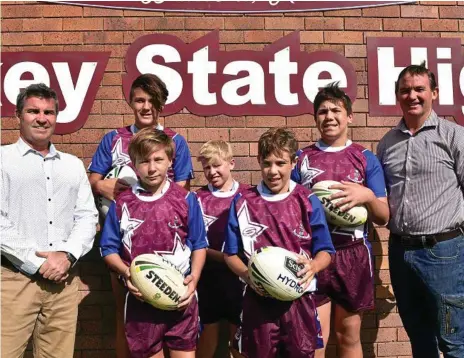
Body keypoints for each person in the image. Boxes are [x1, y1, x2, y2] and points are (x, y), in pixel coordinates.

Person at [88, 73, 195, 357]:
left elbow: (182, 189)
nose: (146, 106)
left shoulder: (176, 141)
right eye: (139, 100)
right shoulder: (113, 139)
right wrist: (103, 185)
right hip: (125, 240)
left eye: (152, 101)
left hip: (168, 244)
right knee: (127, 315)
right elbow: (93, 179)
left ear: (162, 104)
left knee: (171, 310)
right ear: (131, 102)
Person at [291, 83, 389, 357]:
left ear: (349, 117)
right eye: (322, 111)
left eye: (336, 110)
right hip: (314, 256)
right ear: (315, 118)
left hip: (353, 255)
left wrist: (368, 196)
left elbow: (383, 217)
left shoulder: (365, 158)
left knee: (348, 337)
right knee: (314, 339)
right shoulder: (301, 159)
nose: (329, 116)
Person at [1, 83, 98, 357]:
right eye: (33, 111)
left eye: (49, 112)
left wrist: (67, 256)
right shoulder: (2, 160)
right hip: (13, 280)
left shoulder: (72, 164)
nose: (42, 118)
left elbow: (87, 217)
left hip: (64, 285)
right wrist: (39, 262)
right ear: (18, 116)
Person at [223, 127, 335, 358]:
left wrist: (313, 266)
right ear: (258, 162)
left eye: (280, 163)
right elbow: (230, 254)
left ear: (293, 162)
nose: (273, 171)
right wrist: (248, 276)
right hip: (258, 301)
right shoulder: (243, 202)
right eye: (267, 163)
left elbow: (325, 250)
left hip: (298, 300)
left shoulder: (308, 200)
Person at [377, 63, 464, 358]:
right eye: (405, 90)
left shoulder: (453, 136)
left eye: (419, 89)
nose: (412, 95)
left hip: (445, 253)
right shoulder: (387, 143)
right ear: (397, 96)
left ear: (434, 93)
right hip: (401, 252)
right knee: (420, 339)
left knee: (454, 342)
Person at [100, 127, 207, 358]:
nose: (151, 168)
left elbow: (199, 244)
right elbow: (108, 249)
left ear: (170, 161)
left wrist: (194, 279)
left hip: (181, 298)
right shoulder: (122, 203)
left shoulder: (187, 199)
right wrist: (127, 273)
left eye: (158, 159)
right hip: (141, 300)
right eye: (144, 161)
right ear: (133, 164)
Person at [195, 140, 249, 358]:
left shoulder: (248, 195)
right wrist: (224, 256)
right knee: (208, 336)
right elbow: (195, 243)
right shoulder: (197, 198)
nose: (212, 171)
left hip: (241, 277)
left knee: (240, 339)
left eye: (217, 165)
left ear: (232, 163)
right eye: (206, 167)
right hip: (208, 277)